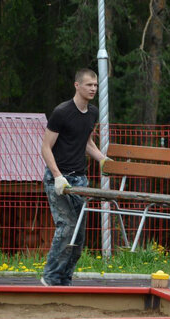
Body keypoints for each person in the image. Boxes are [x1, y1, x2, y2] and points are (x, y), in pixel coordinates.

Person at [40, 68, 109, 286]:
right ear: (77, 85)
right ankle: (50, 276)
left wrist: (103, 159)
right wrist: (58, 176)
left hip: (80, 180)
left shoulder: (93, 113)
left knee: (78, 233)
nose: (93, 89)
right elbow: (45, 148)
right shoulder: (61, 112)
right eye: (89, 85)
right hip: (58, 179)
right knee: (67, 226)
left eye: (96, 85)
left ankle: (64, 278)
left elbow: (87, 143)